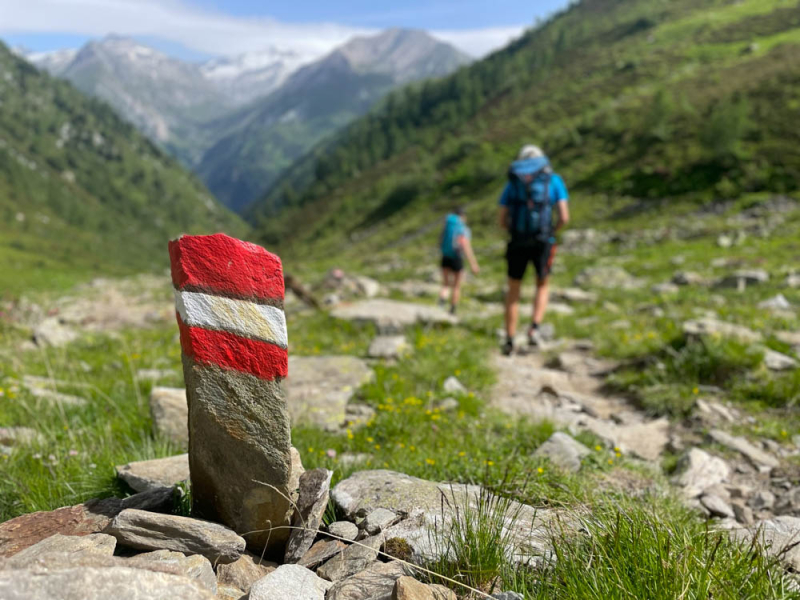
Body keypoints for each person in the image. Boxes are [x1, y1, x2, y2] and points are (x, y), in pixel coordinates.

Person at [499, 145, 570, 355]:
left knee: (513, 289)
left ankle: (510, 338)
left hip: (518, 240)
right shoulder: (553, 180)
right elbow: (564, 217)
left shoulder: (513, 182)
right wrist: (551, 232)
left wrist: (513, 231)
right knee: (542, 284)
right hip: (543, 241)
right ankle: (534, 329)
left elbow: (502, 219)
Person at [438, 207, 479, 315]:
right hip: (457, 258)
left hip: (445, 256)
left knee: (445, 284)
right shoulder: (463, 228)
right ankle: (452, 309)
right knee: (456, 286)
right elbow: (466, 246)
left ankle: (441, 302)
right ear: (463, 216)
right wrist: (473, 264)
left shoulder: (448, 224)